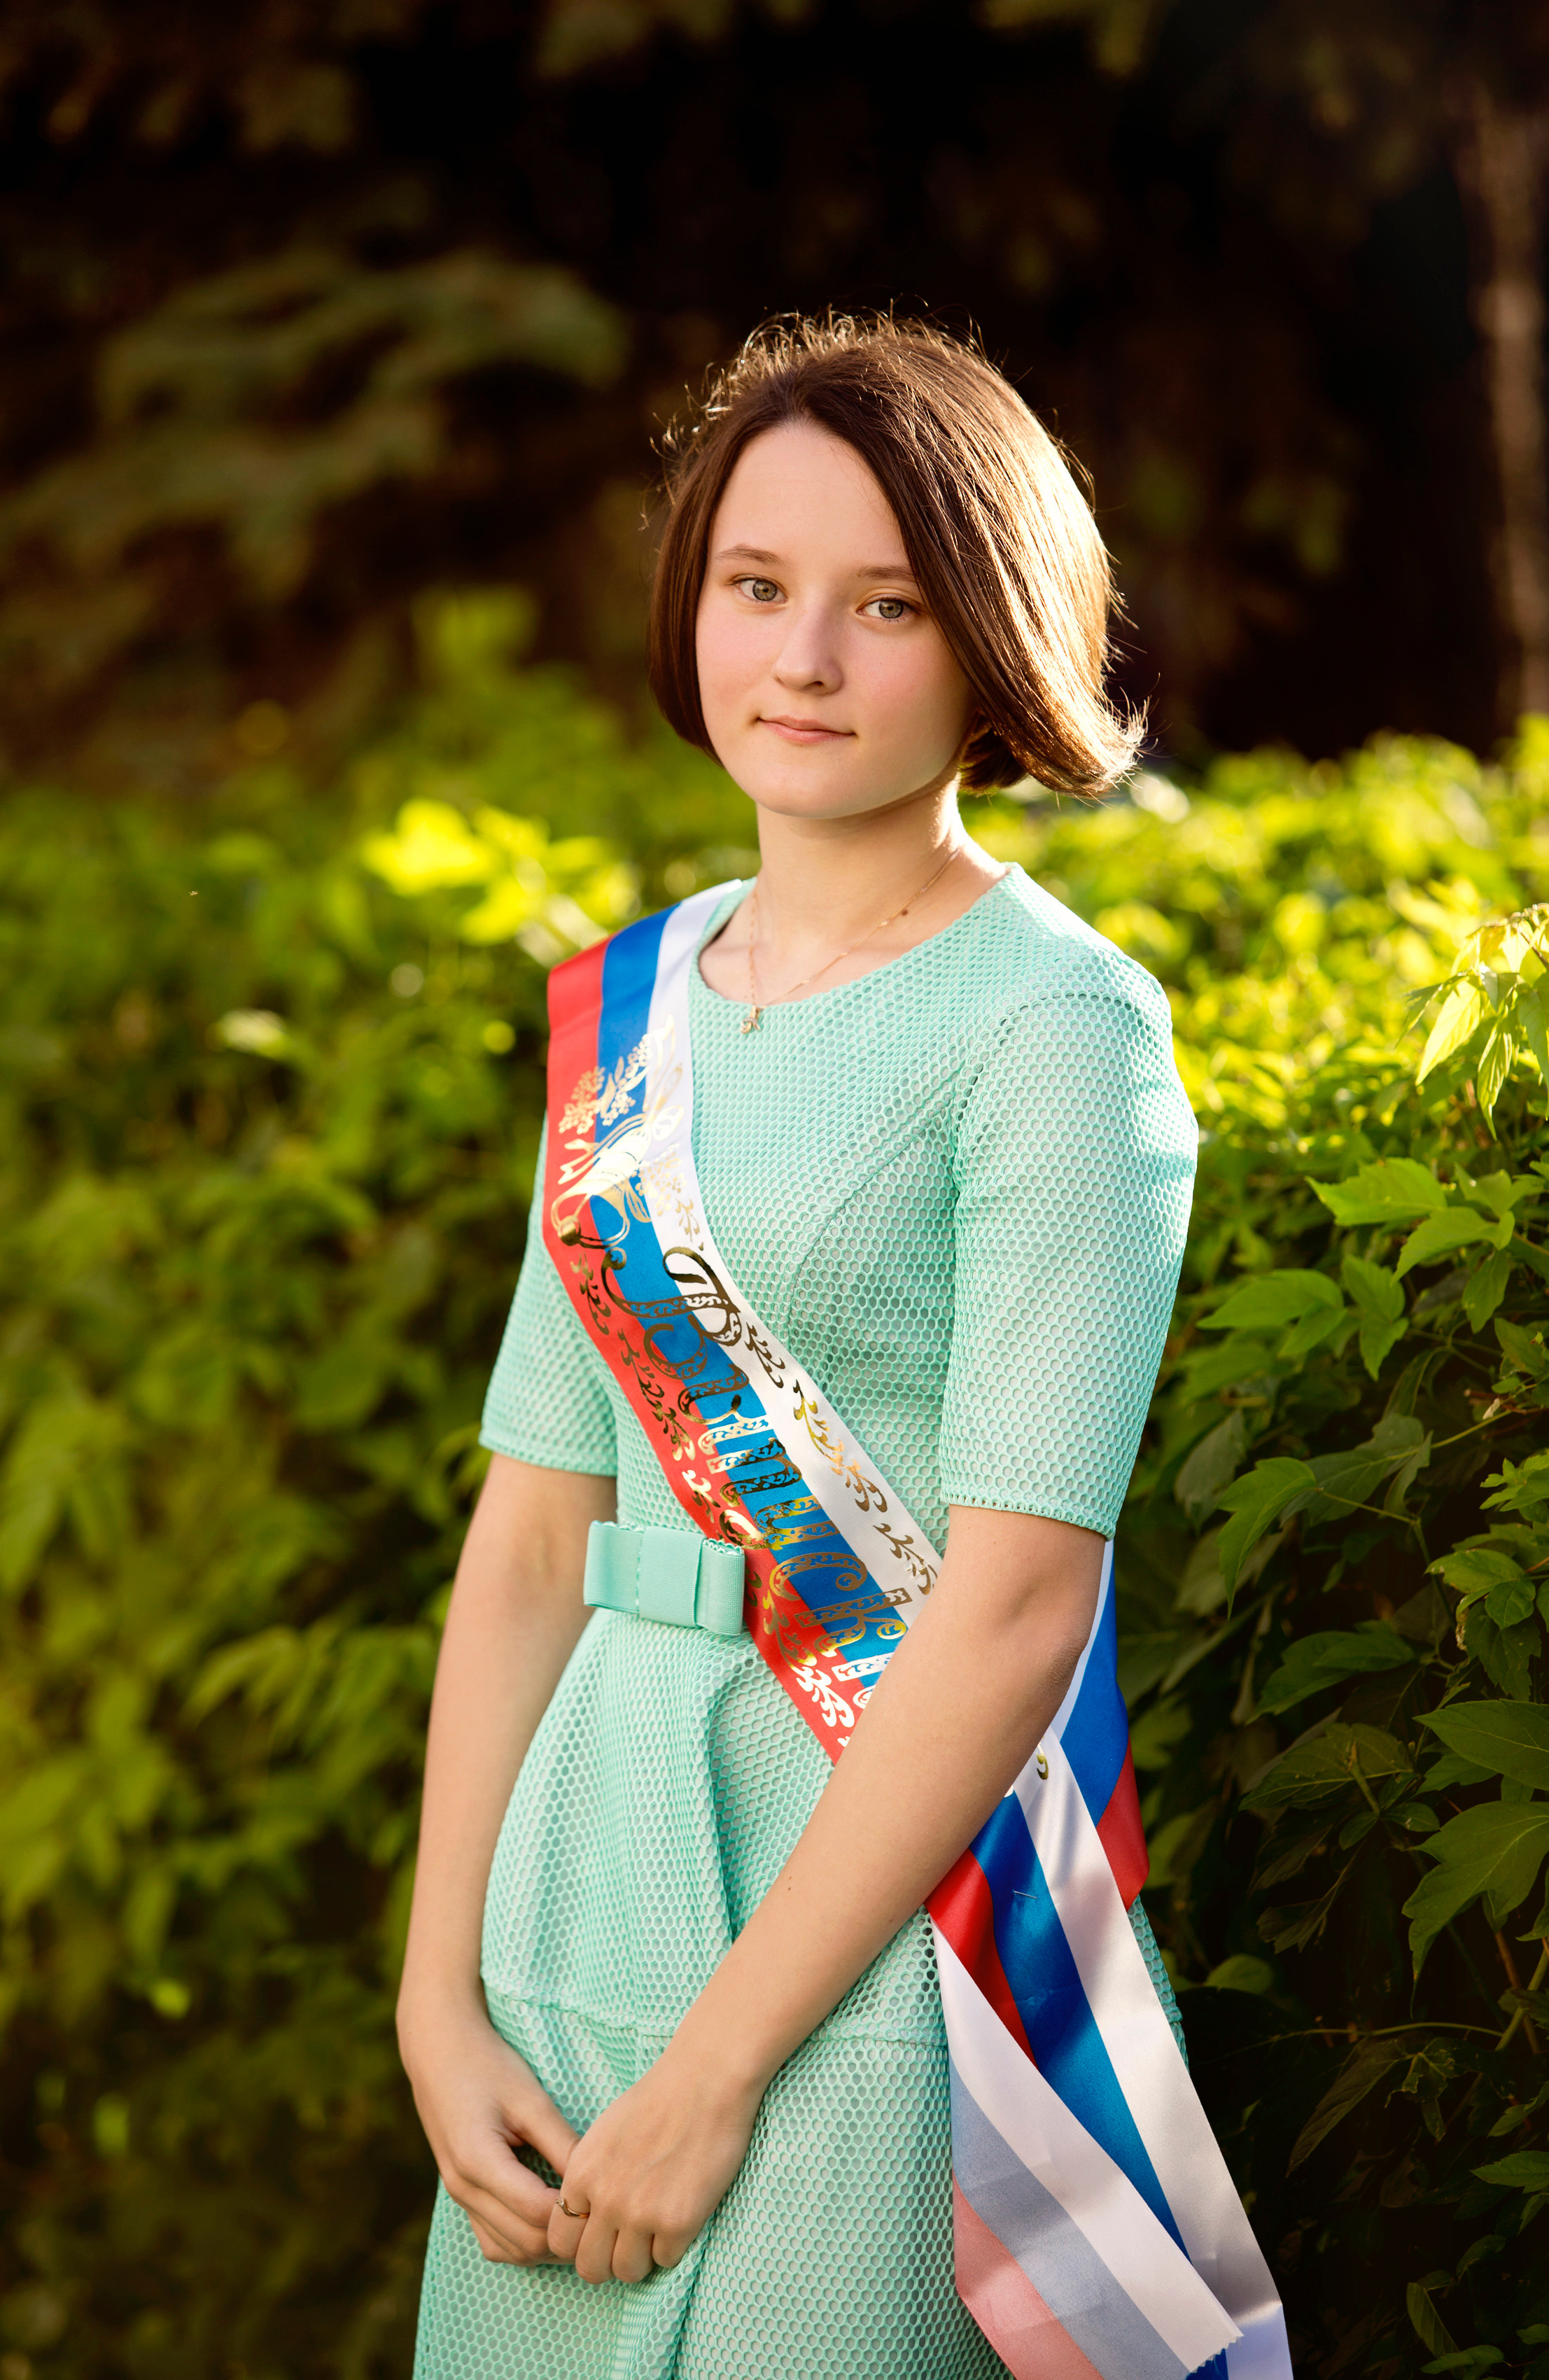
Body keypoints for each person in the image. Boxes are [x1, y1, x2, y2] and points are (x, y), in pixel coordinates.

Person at [400, 316, 1279, 2380]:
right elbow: (532, 1538)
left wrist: (714, 2074)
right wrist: (438, 1997)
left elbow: (1012, 1606)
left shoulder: (1060, 1033)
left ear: (989, 636)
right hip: (577, 1870)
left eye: (886, 604)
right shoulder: (625, 1013)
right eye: (755, 585)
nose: (801, 659)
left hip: (882, 1913)